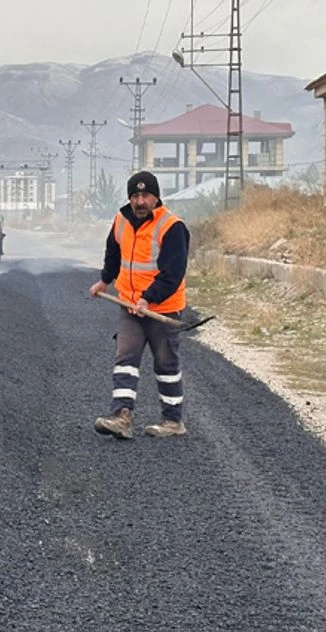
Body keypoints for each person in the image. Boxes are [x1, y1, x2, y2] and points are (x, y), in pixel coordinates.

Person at [88, 170, 190, 440]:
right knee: (126, 359)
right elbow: (113, 254)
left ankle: (173, 421)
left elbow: (173, 273)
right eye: (135, 196)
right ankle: (122, 417)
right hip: (130, 306)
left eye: (145, 195)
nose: (140, 201)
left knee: (166, 364)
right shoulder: (121, 221)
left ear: (156, 197)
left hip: (162, 309)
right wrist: (104, 280)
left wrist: (148, 298)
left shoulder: (172, 226)